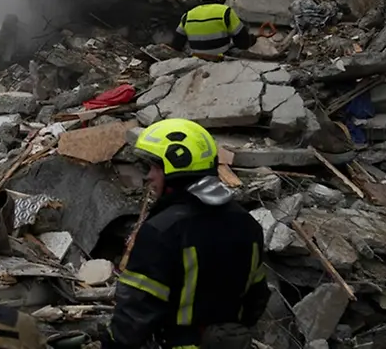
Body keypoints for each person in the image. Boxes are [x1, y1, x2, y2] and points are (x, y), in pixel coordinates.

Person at [101, 118, 270, 349]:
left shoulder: (163, 230)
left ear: (176, 168)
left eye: (155, 167)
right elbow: (257, 297)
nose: (149, 176)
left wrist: (112, 344)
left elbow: (136, 311)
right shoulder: (248, 225)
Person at [172, 0, 251, 60]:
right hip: (220, 59)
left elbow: (176, 45)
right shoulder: (226, 12)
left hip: (196, 59)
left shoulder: (187, 15)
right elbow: (243, 43)